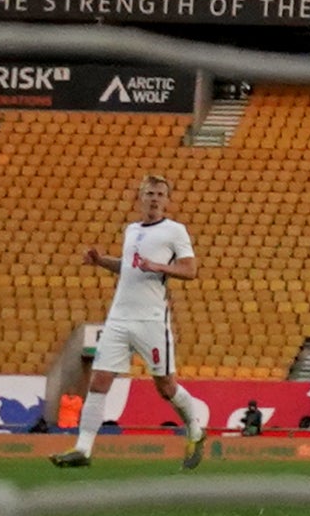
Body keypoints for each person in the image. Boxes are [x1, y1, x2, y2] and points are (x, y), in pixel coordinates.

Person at [57, 171, 211, 469]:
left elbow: (190, 270)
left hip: (150, 319)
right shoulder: (132, 230)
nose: (154, 199)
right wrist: (102, 261)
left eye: (160, 194)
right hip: (118, 318)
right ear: (140, 198)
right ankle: (82, 449)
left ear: (167, 201)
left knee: (165, 387)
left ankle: (195, 428)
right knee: (99, 381)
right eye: (149, 194)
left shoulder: (175, 231)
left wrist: (157, 266)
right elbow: (129, 268)